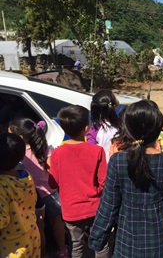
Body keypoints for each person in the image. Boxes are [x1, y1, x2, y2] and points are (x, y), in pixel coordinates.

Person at [89, 100, 163, 257]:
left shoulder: (117, 161)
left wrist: (97, 239)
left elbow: (108, 205)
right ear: (159, 129)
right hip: (160, 243)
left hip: (126, 242)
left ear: (128, 129)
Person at [48, 105, 109, 258]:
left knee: (76, 245)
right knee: (101, 244)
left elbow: (52, 183)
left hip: (71, 209)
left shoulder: (56, 154)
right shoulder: (97, 151)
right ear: (86, 127)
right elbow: (104, 182)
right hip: (95, 207)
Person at [8, 118, 68, 258]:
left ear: (20, 137)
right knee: (56, 221)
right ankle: (62, 250)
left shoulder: (17, 153)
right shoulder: (42, 147)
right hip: (49, 192)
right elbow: (52, 169)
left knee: (38, 226)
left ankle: (42, 253)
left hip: (30, 196)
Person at [0, 132, 41, 258]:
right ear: (22, 157)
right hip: (33, 235)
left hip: (12, 246)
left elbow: (2, 220)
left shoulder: (2, 186)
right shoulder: (25, 176)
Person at [87, 89, 120, 162]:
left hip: (101, 169)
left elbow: (90, 153)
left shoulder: (94, 130)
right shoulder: (122, 126)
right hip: (119, 167)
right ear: (114, 106)